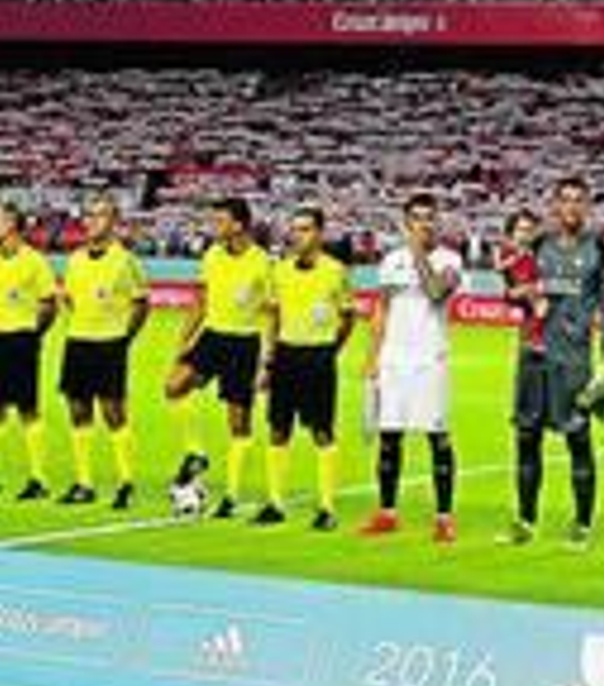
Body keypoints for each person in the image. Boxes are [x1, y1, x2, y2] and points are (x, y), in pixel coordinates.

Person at [497, 178, 604, 548]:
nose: (570, 206)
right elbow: (512, 293)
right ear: (554, 205)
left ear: (587, 206)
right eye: (564, 199)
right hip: (532, 355)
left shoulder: (602, 251)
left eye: (578, 200)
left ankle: (582, 524)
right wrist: (521, 294)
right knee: (526, 439)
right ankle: (525, 520)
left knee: (578, 440)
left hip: (573, 361)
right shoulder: (536, 246)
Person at [360, 193, 464, 543]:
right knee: (389, 437)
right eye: (417, 218)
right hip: (393, 359)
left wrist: (418, 252)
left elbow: (436, 292)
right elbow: (382, 310)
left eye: (430, 217)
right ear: (406, 222)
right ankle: (387, 513)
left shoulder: (450, 259)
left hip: (429, 359)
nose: (424, 223)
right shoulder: (391, 261)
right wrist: (372, 357)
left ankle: (444, 517)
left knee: (438, 438)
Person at [167, 197, 273, 520]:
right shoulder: (212, 255)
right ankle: (196, 453)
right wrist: (184, 340)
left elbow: (272, 313)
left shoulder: (263, 262)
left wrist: (269, 360)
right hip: (212, 337)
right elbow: (201, 300)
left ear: (239, 225)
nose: (216, 227)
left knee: (238, 423)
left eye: (222, 221)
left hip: (244, 343)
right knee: (174, 387)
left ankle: (231, 495)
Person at [253, 205, 355, 529]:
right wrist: (267, 360)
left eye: (306, 229)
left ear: (320, 234)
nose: (298, 235)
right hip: (285, 355)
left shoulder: (335, 271)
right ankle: (275, 503)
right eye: (295, 229)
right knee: (278, 430)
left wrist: (331, 349)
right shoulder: (279, 271)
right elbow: (273, 316)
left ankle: (327, 508)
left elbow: (348, 316)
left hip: (318, 357)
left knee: (322, 431)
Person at [58, 195, 148, 510]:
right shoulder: (75, 259)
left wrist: (124, 338)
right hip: (78, 340)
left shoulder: (125, 260)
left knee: (113, 413)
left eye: (101, 215)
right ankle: (84, 483)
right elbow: (68, 298)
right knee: (78, 411)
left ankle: (126, 482)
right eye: (90, 215)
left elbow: (141, 304)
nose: (93, 221)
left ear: (114, 221)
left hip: (110, 343)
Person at [0, 200, 57, 499]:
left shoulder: (34, 261)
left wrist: (34, 335)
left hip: (20, 338)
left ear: (13, 225)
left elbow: (49, 303)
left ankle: (38, 478)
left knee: (27, 409)